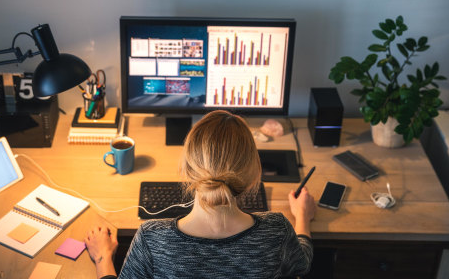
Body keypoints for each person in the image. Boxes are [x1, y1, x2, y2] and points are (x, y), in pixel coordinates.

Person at [85, 110, 316, 279]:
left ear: (186, 169)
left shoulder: (152, 238)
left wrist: (103, 257)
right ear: (254, 173)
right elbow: (301, 264)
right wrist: (303, 217)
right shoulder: (277, 230)